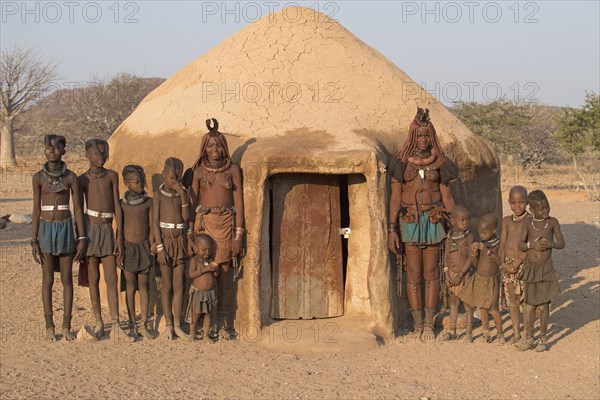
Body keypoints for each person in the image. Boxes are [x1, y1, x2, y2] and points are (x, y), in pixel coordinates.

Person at [388, 108, 458, 340]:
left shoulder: (440, 164)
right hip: (408, 221)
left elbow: (447, 197)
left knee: (431, 272)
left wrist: (455, 228)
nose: (424, 140)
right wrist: (392, 229)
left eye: (427, 135)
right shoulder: (400, 165)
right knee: (413, 273)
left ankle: (429, 323)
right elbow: (396, 198)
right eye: (419, 135)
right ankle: (417, 322)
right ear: (412, 136)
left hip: (433, 220)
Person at [189, 118, 244, 340]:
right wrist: (190, 236)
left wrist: (238, 235)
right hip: (204, 227)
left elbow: (239, 203)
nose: (215, 149)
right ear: (204, 148)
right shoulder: (198, 172)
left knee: (224, 275)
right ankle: (204, 323)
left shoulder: (232, 170)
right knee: (206, 277)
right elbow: (192, 205)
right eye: (210, 146)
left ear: (224, 147)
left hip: (226, 226)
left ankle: (223, 323)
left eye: (219, 145)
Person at [31, 134, 87, 341]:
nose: (52, 150)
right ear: (44, 150)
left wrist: (82, 238)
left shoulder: (71, 177)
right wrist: (33, 239)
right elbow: (36, 209)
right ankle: (48, 327)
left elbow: (78, 209)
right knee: (47, 279)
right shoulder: (38, 177)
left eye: (57, 146)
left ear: (64, 150)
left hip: (65, 229)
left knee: (66, 279)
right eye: (48, 146)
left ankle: (66, 326)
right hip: (45, 228)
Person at [78, 139, 131, 341]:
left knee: (111, 278)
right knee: (93, 279)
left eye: (103, 153)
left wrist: (120, 234)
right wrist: (81, 237)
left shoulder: (111, 176)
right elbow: (79, 210)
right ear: (87, 155)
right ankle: (99, 321)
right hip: (91, 230)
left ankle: (116, 323)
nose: (100, 157)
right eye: (96, 154)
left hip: (108, 228)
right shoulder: (82, 180)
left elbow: (117, 205)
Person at [517, 190, 564, 352]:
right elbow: (521, 245)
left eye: (547, 207)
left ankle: (542, 338)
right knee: (529, 306)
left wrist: (550, 245)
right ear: (532, 210)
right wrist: (532, 245)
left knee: (544, 306)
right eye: (541, 209)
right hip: (531, 269)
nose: (546, 211)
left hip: (545, 269)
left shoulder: (552, 222)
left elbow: (561, 243)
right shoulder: (528, 223)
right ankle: (528, 337)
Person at [153, 157, 190, 340]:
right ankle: (168, 324)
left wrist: (182, 194)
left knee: (179, 285)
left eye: (177, 177)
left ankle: (178, 324)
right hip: (165, 243)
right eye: (170, 176)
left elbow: (186, 216)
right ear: (163, 175)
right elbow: (154, 223)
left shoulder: (183, 194)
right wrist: (159, 248)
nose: (173, 180)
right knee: (166, 285)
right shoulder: (159, 195)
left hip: (179, 242)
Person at [119, 165, 154, 340]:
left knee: (144, 286)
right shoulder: (122, 204)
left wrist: (152, 245)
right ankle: (132, 323)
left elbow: (152, 226)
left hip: (144, 248)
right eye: (136, 181)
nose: (141, 184)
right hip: (128, 248)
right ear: (126, 183)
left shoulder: (149, 202)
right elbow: (119, 228)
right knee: (130, 287)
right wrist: (120, 250)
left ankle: (145, 323)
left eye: (142, 180)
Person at [460, 213, 505, 344]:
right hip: (480, 279)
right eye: (480, 233)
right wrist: (474, 253)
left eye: (484, 233)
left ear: (494, 230)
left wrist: (485, 249)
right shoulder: (483, 243)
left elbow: (498, 261)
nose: (482, 235)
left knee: (494, 309)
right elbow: (476, 264)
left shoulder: (497, 244)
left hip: (491, 281)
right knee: (482, 308)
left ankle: (500, 334)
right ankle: (486, 333)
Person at [499, 185, 529, 344]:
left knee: (527, 301)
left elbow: (530, 245)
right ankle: (516, 333)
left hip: (524, 266)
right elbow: (502, 243)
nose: (518, 206)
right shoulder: (506, 221)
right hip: (508, 267)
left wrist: (519, 261)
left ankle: (526, 333)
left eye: (522, 202)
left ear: (527, 202)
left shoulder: (530, 220)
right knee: (513, 302)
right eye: (514, 203)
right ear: (509, 202)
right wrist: (503, 263)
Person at [440, 206, 475, 342]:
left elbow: (470, 258)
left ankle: (469, 332)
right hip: (452, 275)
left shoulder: (469, 237)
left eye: (468, 219)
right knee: (453, 303)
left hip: (464, 275)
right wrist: (447, 272)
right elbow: (447, 256)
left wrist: (461, 274)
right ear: (453, 222)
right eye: (462, 220)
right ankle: (452, 330)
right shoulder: (449, 238)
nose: (466, 222)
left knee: (467, 304)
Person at [188, 234, 219, 342]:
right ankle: (192, 334)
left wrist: (215, 270)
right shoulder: (194, 261)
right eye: (204, 249)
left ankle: (206, 335)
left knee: (208, 314)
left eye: (209, 250)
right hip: (198, 293)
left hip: (209, 293)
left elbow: (216, 276)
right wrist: (205, 270)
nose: (207, 253)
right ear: (196, 248)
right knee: (195, 314)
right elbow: (191, 274)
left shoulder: (210, 260)